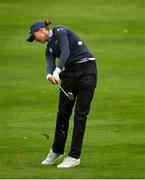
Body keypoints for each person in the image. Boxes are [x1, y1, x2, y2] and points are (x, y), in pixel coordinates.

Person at [27, 19, 97, 168]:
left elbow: (66, 50)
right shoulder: (49, 49)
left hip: (87, 69)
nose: (35, 40)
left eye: (34, 36)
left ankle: (74, 156)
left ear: (41, 30)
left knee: (80, 115)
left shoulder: (60, 30)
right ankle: (57, 150)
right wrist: (49, 75)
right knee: (63, 113)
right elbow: (49, 64)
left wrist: (57, 71)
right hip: (70, 74)